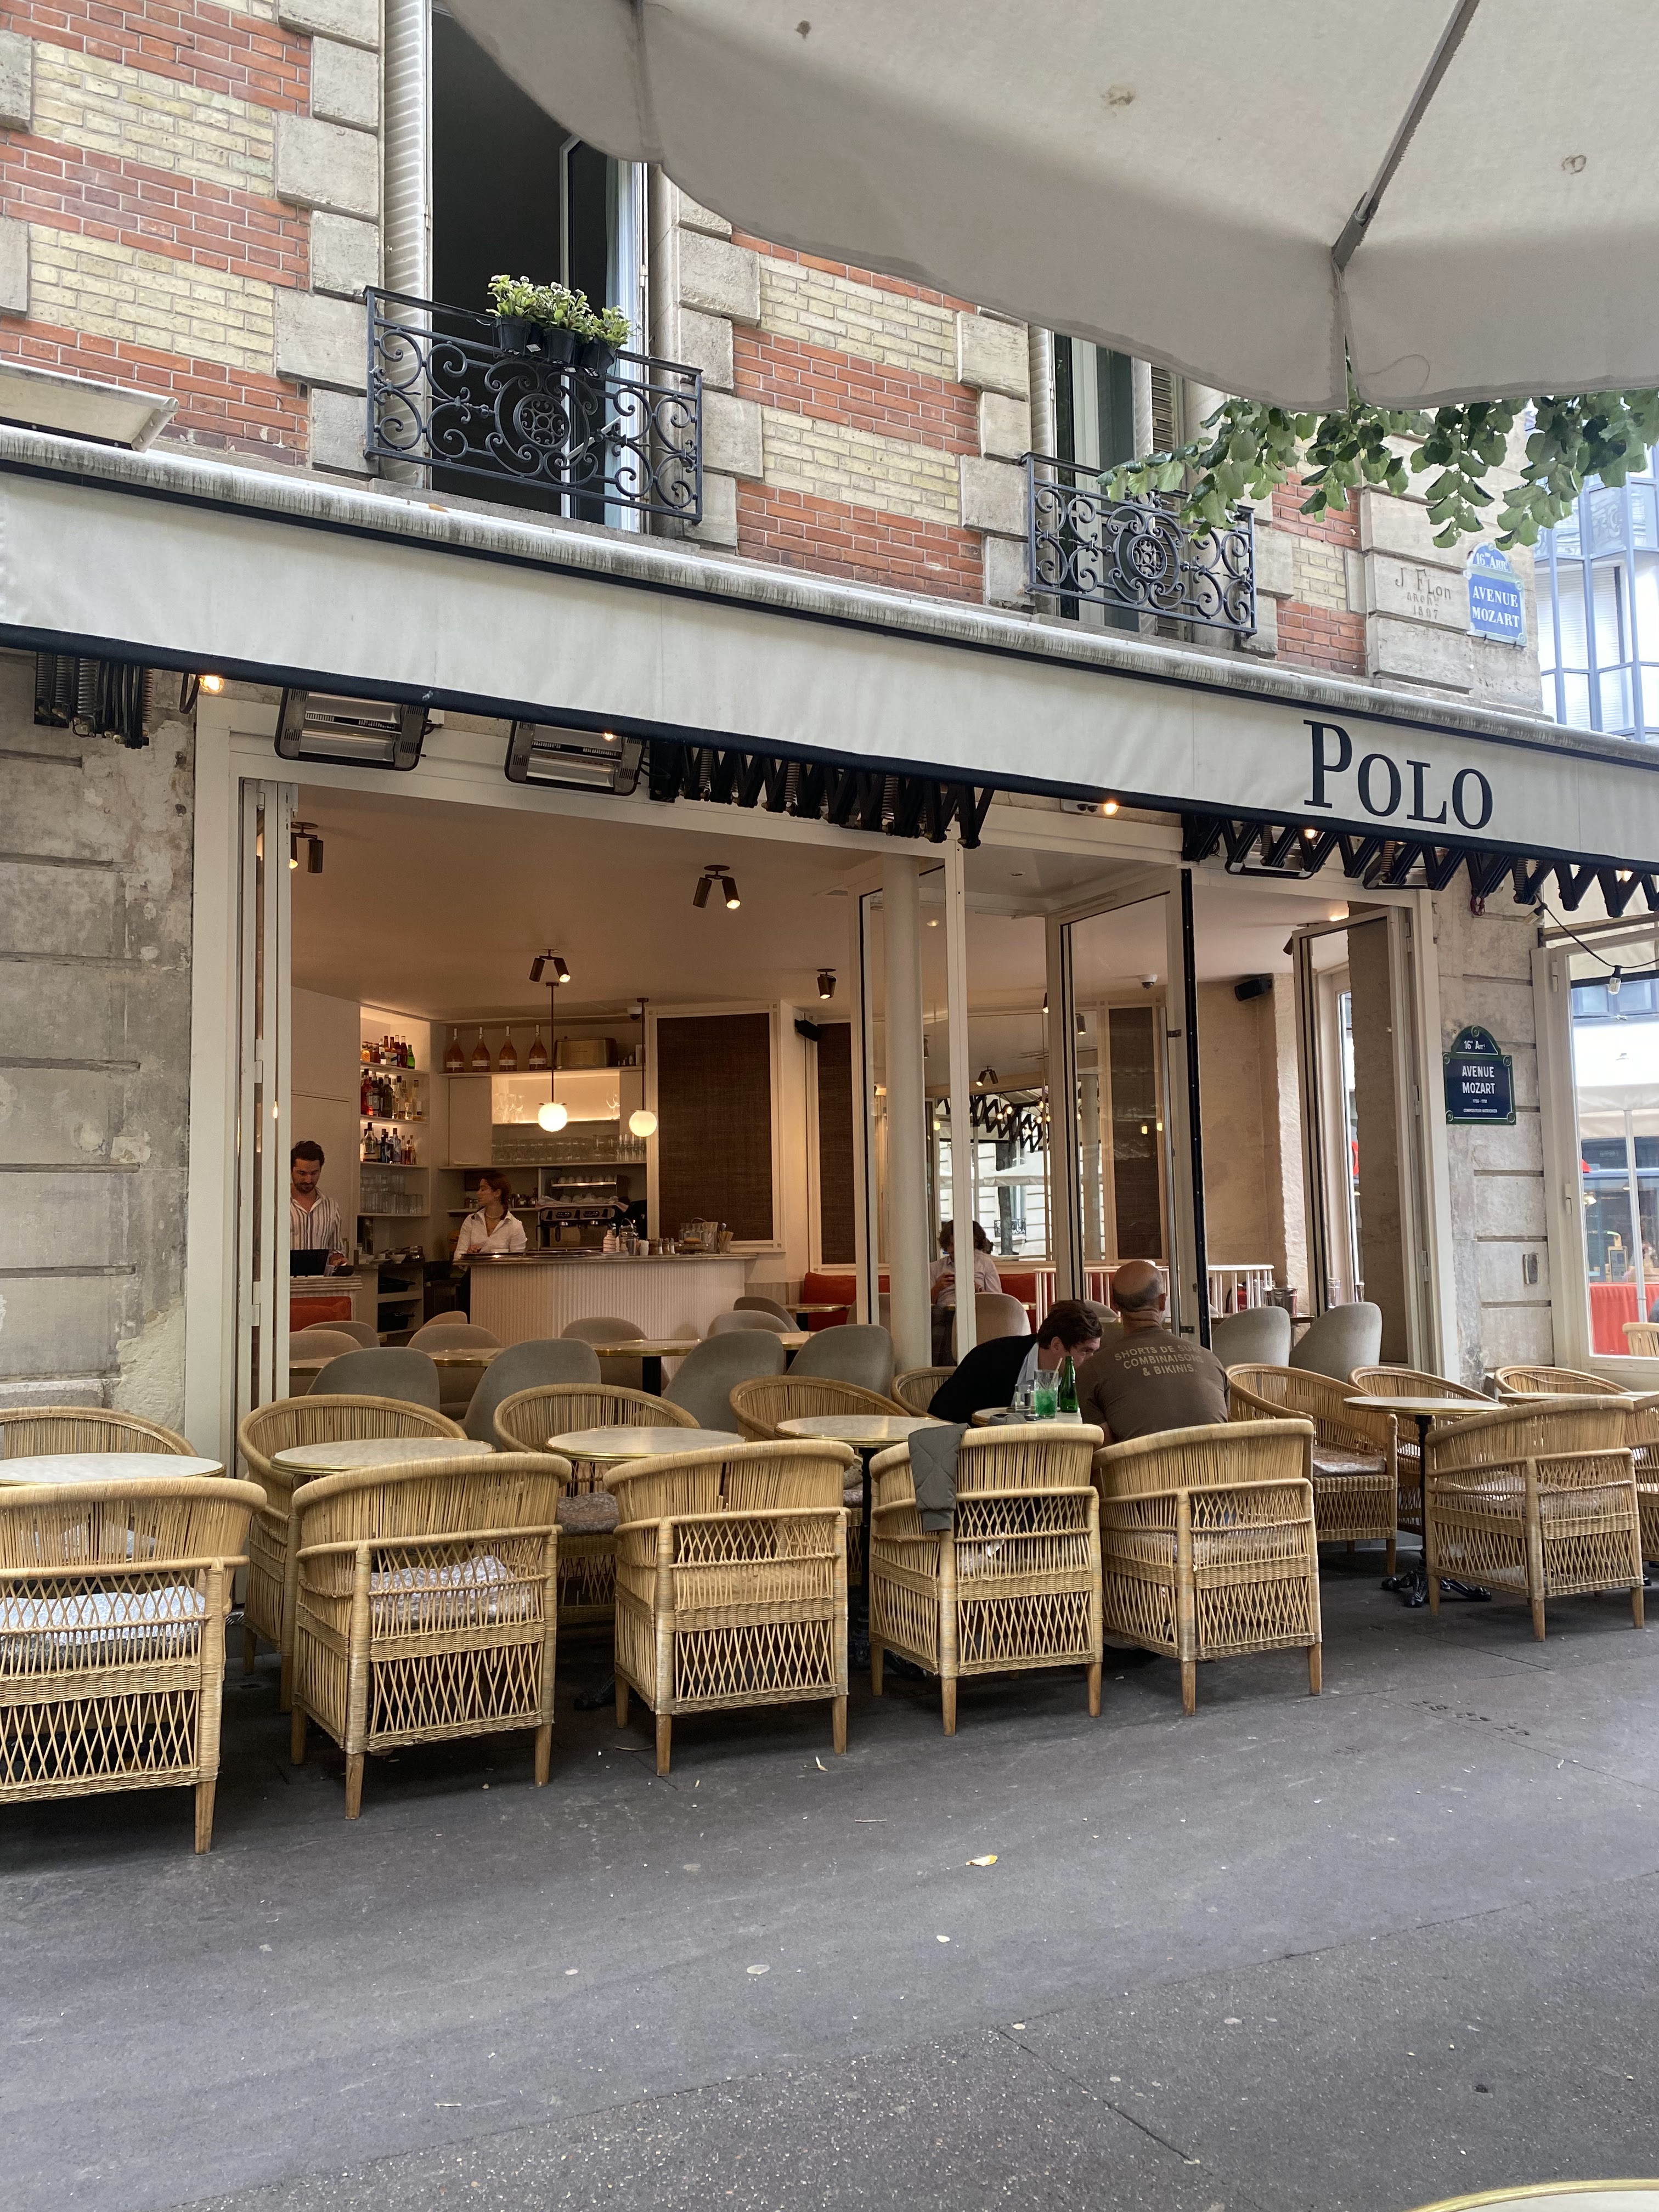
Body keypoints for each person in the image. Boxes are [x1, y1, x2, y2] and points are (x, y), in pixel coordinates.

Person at [1074, 1258, 1228, 1443]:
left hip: (1139, 1463)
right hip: (1215, 1462)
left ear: (1115, 1304)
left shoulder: (1092, 1371)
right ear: (1162, 1302)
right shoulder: (1210, 1361)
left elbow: (1104, 1451)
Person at [927, 1298, 1103, 1424]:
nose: (1092, 1360)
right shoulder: (993, 1361)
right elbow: (946, 1416)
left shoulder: (1087, 1379)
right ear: (1057, 1345)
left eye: (1094, 1351)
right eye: (1085, 1351)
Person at [289, 1140, 346, 1272]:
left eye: (314, 1173)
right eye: (302, 1173)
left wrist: (339, 1261)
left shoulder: (331, 1206)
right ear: (291, 1170)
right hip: (283, 1281)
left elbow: (335, 1251)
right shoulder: (275, 1204)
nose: (308, 1180)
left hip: (318, 1282)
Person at [453, 1169, 528, 1260]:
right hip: (475, 1269)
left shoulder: (515, 1226)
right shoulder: (471, 1220)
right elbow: (458, 1255)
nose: (478, 1193)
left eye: (483, 1189)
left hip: (502, 1269)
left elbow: (518, 1261)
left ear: (497, 1193)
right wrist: (468, 1256)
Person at [930, 1220, 1001, 1306]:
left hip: (977, 1311)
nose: (957, 1249)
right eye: (952, 1245)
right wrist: (937, 1288)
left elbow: (998, 1302)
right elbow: (924, 1305)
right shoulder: (935, 1267)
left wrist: (977, 1288)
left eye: (960, 1244)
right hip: (945, 1312)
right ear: (946, 1246)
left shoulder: (985, 1264)